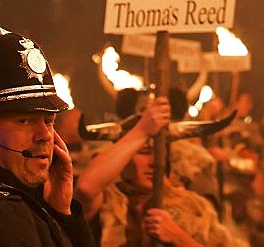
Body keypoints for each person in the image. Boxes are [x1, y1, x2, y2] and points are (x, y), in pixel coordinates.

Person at [75, 95, 239, 246]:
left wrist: (179, 237)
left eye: (160, 153)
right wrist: (142, 131)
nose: (154, 162)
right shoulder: (108, 202)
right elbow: (86, 187)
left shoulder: (195, 208)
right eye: (144, 152)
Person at [0, 26, 95, 246]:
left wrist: (61, 213)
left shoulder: (25, 203)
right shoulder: (7, 211)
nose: (45, 136)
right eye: (24, 120)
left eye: (49, 121)